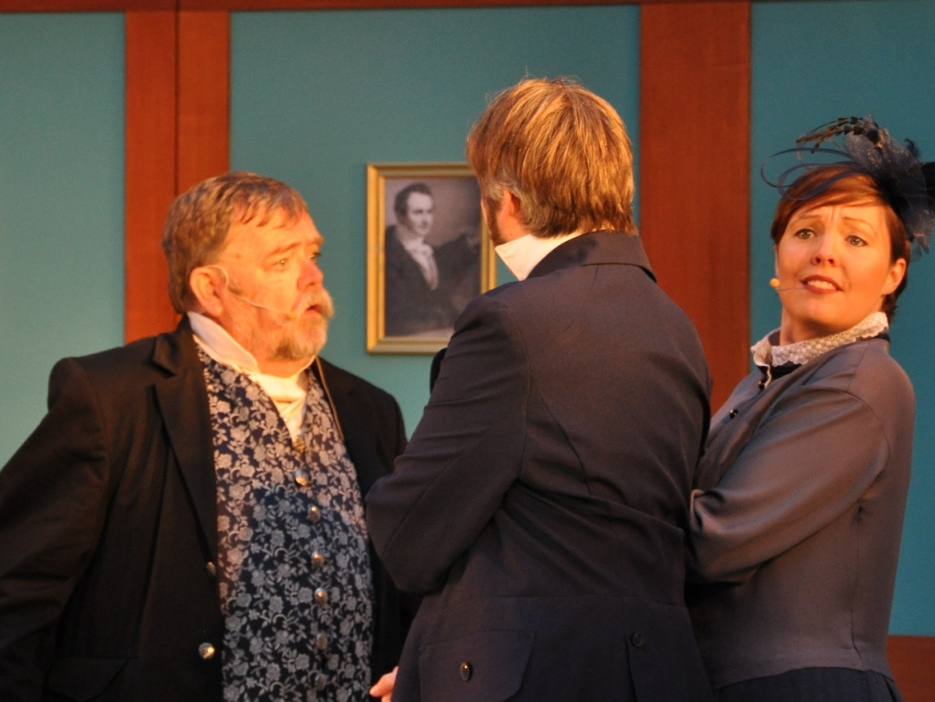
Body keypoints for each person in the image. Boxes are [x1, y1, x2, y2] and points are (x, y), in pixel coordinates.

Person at [0, 172, 413, 701]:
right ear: (211, 288)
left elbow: (406, 583)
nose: (313, 276)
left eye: (312, 254)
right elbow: (17, 593)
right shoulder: (110, 399)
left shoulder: (370, 410)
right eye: (282, 262)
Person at [365, 78, 715, 702]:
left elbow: (409, 534)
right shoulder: (677, 329)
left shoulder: (512, 321)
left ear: (507, 201)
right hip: (654, 667)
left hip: (532, 674)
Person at [686, 116, 935, 702]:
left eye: (856, 239)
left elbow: (710, 542)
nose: (824, 253)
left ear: (893, 274)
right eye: (805, 232)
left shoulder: (860, 381)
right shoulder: (763, 381)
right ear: (778, 254)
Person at [384, 182, 479, 336]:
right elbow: (398, 316)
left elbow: (449, 257)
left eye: (429, 212)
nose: (426, 220)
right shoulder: (386, 254)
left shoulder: (430, 251)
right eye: (418, 212)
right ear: (400, 215)